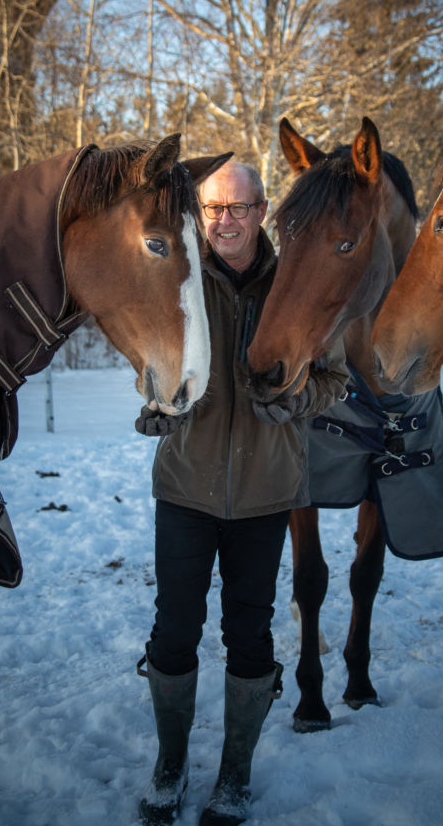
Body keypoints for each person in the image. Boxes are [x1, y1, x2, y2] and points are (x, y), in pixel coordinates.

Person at [134, 160, 348, 826]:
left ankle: (234, 776)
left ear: (261, 211)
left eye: (239, 207)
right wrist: (153, 404)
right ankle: (170, 766)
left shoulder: (298, 280)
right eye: (213, 208)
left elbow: (335, 378)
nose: (225, 220)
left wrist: (297, 401)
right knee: (173, 632)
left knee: (249, 635)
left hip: (263, 495)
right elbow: (149, 363)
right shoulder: (174, 280)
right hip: (185, 491)